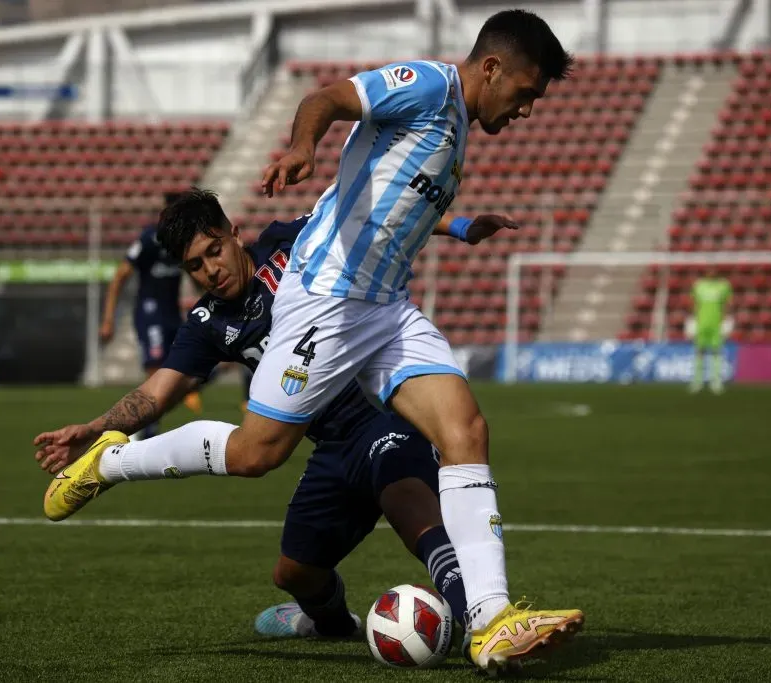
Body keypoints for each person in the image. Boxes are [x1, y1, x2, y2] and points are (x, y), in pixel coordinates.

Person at [37, 10, 583, 674]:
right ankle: (111, 462)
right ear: (492, 67)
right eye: (526, 92)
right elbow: (326, 98)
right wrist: (304, 145)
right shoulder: (431, 87)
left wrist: (462, 226)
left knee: (465, 427)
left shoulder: (458, 129)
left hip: (383, 308)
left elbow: (387, 205)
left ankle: (491, 620)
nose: (527, 109)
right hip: (327, 297)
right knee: (253, 453)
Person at [35, 190, 472, 648]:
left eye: (214, 251)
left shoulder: (288, 245)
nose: (211, 270)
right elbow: (155, 393)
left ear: (234, 234)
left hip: (388, 417)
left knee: (412, 513)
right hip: (332, 447)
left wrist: (459, 227)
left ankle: (480, 623)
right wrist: (94, 428)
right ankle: (333, 625)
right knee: (294, 574)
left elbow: (375, 221)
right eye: (195, 266)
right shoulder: (207, 322)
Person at [99, 192, 202, 438]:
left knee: (181, 374)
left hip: (172, 315)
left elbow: (193, 276)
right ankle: (143, 429)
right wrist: (108, 319)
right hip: (150, 314)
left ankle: (146, 423)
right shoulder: (148, 240)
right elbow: (119, 278)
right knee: (155, 371)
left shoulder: (182, 243)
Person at [689, 267, 732, 395]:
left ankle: (716, 381)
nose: (712, 272)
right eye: (709, 270)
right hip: (702, 323)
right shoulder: (699, 286)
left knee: (716, 352)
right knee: (699, 351)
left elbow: (727, 304)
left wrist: (726, 320)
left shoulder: (724, 286)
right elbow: (694, 303)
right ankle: (697, 381)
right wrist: (693, 319)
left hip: (716, 324)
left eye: (714, 270)